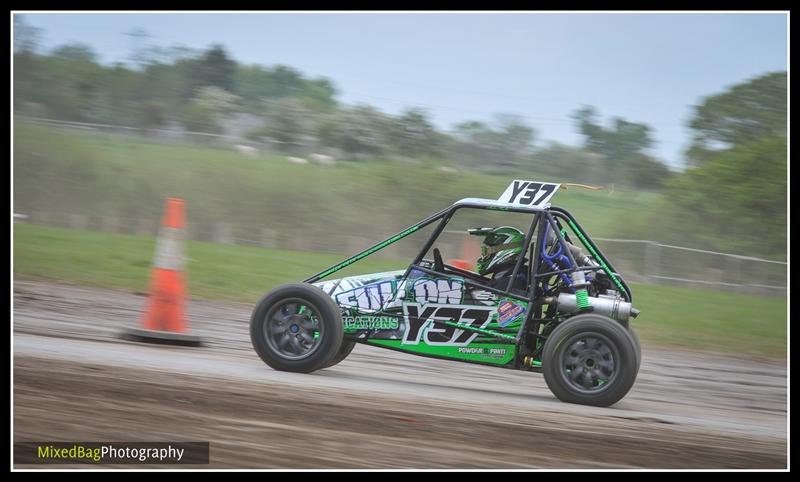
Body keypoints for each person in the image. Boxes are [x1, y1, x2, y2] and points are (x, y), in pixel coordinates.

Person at [468, 226, 529, 292]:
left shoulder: (506, 283)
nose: (484, 256)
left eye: (486, 252)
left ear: (503, 251)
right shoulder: (512, 275)